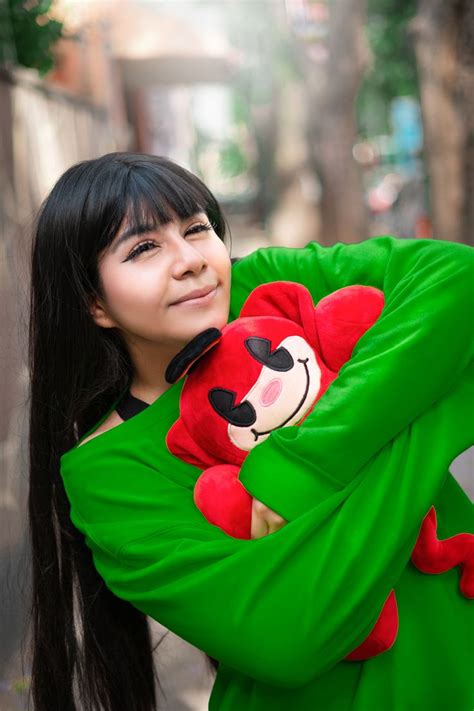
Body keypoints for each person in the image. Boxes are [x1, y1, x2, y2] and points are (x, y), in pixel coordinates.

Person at [26, 152, 473, 711]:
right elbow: (289, 632)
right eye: (144, 248)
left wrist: (302, 466)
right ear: (95, 302)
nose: (191, 261)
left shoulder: (267, 291)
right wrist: (423, 397)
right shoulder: (107, 472)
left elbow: (459, 277)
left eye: (196, 228)